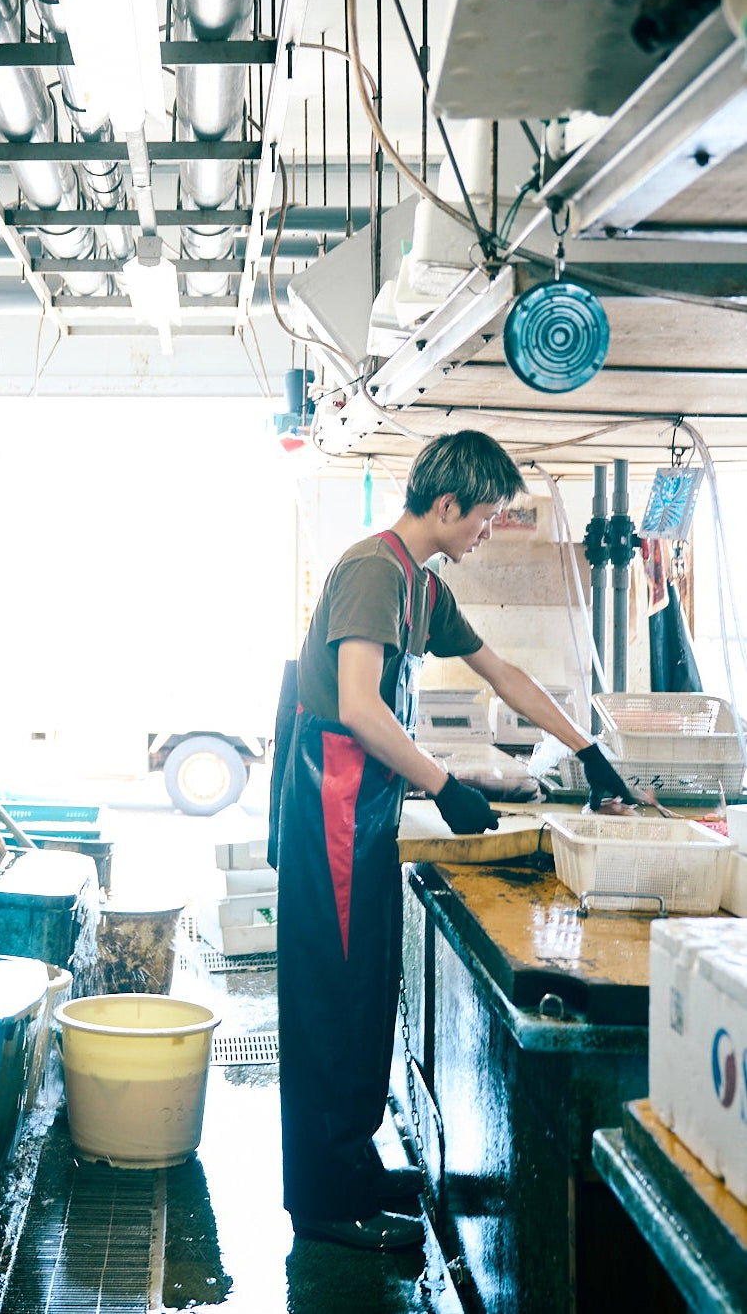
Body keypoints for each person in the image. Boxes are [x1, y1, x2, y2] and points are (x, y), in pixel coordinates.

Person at [274, 429, 635, 1251]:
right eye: (484, 516)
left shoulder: (421, 586)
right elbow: (359, 707)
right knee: (333, 999)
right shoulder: (372, 570)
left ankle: (351, 1165)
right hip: (331, 809)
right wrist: (443, 783)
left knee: (365, 992)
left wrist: (587, 751)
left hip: (363, 808)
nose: (487, 530)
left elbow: (502, 673)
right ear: (446, 505)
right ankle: (325, 1201)